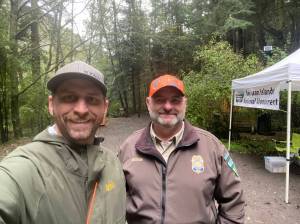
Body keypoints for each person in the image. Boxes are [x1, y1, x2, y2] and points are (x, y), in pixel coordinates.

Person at [0, 61, 126, 224]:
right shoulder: (26, 168)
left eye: (92, 99)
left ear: (105, 108)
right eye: (69, 98)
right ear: (52, 105)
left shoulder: (113, 164)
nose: (81, 110)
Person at [119, 74, 245, 224]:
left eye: (175, 100)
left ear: (185, 103)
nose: (167, 106)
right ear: (148, 103)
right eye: (160, 100)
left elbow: (234, 203)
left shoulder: (212, 147)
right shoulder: (128, 147)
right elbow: (113, 202)